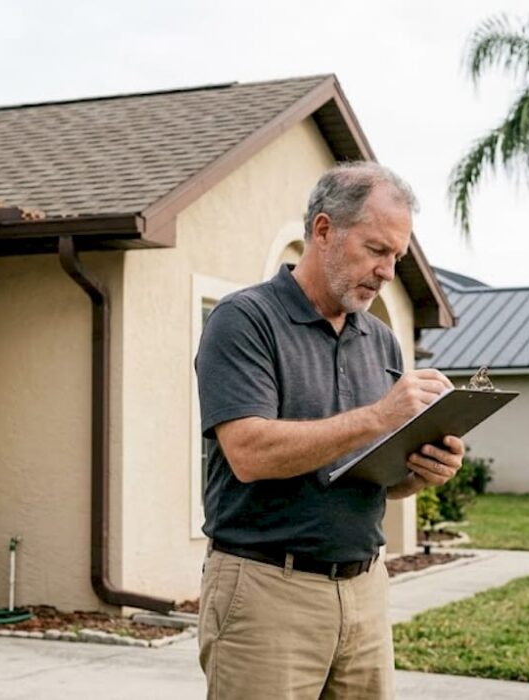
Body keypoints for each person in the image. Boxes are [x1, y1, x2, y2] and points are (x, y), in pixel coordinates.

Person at [194, 161, 466, 699]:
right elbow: (248, 452)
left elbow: (370, 475)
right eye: (376, 250)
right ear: (323, 231)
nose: (388, 272)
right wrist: (379, 416)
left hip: (365, 590)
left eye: (397, 257)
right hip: (266, 590)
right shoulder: (244, 320)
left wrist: (422, 471)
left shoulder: (382, 341)